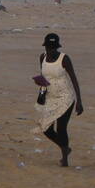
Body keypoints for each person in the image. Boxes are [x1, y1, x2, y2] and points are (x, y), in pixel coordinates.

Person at [36, 33, 82, 166]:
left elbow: (74, 79)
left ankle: (65, 160)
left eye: (52, 48)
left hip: (66, 98)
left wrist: (79, 101)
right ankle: (65, 148)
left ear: (57, 47)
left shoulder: (64, 59)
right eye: (48, 48)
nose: (50, 50)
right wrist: (41, 94)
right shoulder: (42, 57)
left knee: (61, 129)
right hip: (51, 97)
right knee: (46, 128)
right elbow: (43, 78)